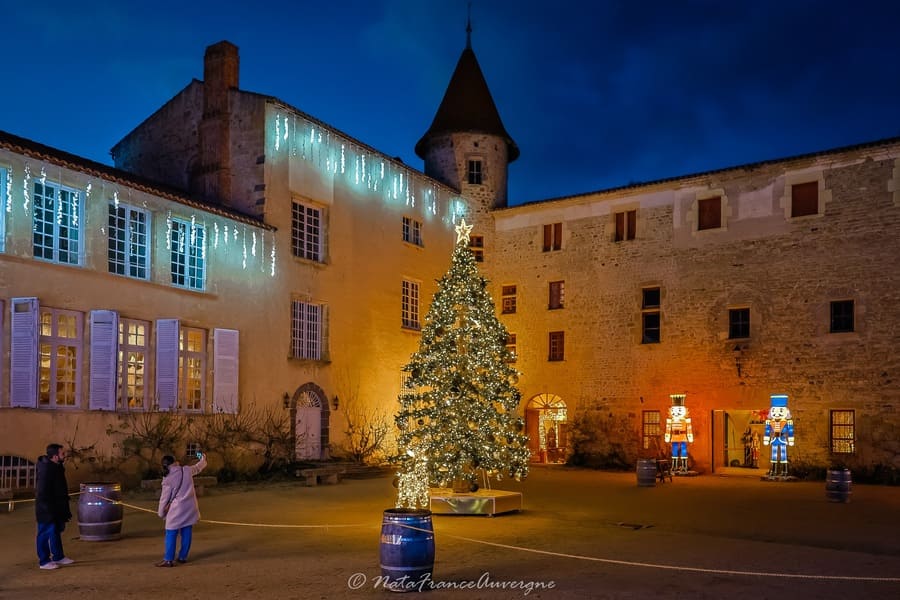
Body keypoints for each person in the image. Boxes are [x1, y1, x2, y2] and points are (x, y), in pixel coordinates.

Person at [156, 451, 208, 567]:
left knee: (171, 532)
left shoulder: (167, 478)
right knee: (187, 531)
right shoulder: (186, 470)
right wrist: (202, 456)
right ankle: (183, 557)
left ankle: (169, 559)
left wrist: (161, 513)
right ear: (175, 462)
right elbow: (199, 466)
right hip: (190, 507)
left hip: (176, 510)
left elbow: (164, 498)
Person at [35, 443, 74, 570]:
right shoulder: (46, 470)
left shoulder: (57, 467)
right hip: (46, 509)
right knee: (44, 532)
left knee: (55, 531)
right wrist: (47, 510)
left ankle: (58, 556)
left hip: (57, 507)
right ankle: (44, 561)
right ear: (55, 456)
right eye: (62, 453)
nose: (65, 455)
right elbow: (42, 492)